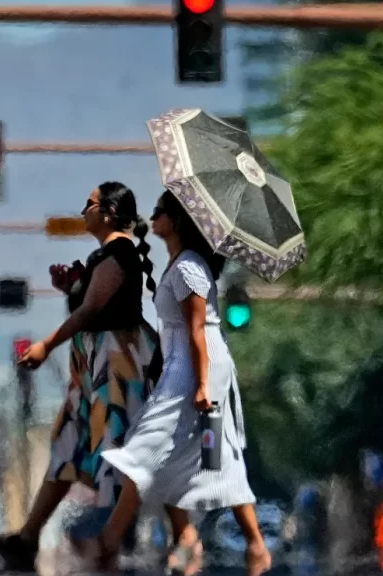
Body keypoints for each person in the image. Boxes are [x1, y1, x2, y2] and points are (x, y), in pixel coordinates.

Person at [76, 190, 271, 575]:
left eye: (160, 210)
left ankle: (110, 540)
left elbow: (198, 329)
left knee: (148, 447)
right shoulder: (181, 264)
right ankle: (247, 545)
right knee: (209, 457)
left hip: (198, 368)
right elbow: (181, 330)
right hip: (187, 365)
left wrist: (200, 386)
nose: (153, 215)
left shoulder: (189, 268)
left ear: (178, 220)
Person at [0, 181, 163, 571]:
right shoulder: (104, 257)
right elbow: (87, 305)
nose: (84, 210)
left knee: (116, 451)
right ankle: (27, 539)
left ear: (110, 213)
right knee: (68, 446)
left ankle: (110, 539)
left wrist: (46, 344)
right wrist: (70, 288)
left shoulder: (120, 254)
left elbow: (90, 311)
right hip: (92, 367)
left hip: (114, 368)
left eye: (91, 204)